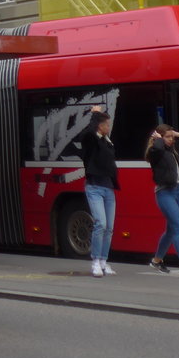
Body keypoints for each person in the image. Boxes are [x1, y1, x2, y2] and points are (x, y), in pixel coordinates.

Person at [145, 124, 179, 277]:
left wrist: (177, 134)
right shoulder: (156, 152)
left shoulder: (174, 151)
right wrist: (158, 140)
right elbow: (157, 149)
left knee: (171, 230)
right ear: (159, 138)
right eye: (167, 137)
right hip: (165, 193)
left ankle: (156, 261)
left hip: (178, 191)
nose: (171, 140)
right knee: (178, 228)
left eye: (171, 137)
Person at [79, 107, 119, 276]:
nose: (109, 127)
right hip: (94, 186)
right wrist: (94, 115)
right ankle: (95, 261)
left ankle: (103, 261)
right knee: (100, 223)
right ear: (100, 126)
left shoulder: (106, 141)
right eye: (106, 125)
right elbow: (88, 134)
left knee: (109, 227)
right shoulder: (91, 141)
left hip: (108, 187)